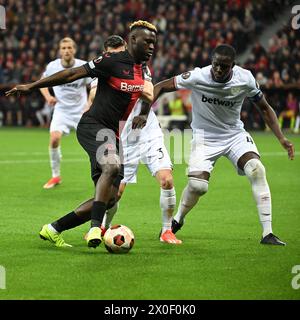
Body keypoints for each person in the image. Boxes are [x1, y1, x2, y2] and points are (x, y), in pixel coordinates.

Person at [6, 20, 157, 248]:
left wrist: (144, 114)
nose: (152, 47)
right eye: (148, 42)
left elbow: (148, 94)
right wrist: (32, 86)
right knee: (112, 166)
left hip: (113, 134)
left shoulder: (143, 70)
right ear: (132, 40)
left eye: (154, 43)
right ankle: (96, 228)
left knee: (110, 198)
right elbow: (70, 74)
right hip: (93, 125)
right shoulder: (112, 61)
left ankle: (53, 229)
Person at [151, 44, 295, 246]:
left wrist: (281, 138)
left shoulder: (245, 79)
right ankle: (178, 219)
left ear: (233, 66)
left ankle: (268, 232)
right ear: (211, 62)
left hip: (234, 134)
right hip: (204, 138)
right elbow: (161, 86)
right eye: (216, 65)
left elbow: (264, 107)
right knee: (198, 186)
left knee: (257, 169)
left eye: (224, 67)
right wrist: (143, 110)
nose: (218, 70)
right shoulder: (197, 76)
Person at [88, 62, 181, 244]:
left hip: (149, 134)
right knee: (114, 194)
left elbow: (149, 93)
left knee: (167, 180)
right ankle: (103, 227)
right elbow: (93, 96)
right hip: (123, 139)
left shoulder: (139, 68)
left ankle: (167, 231)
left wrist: (145, 115)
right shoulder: (102, 70)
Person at [40, 37, 92, 189]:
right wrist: (49, 97)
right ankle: (55, 176)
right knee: (54, 138)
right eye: (63, 48)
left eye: (69, 48)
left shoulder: (83, 66)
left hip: (81, 111)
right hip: (62, 111)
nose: (66, 50)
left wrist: (89, 103)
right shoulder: (53, 66)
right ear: (60, 51)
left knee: (92, 143)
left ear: (74, 50)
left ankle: (102, 173)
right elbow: (42, 82)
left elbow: (94, 85)